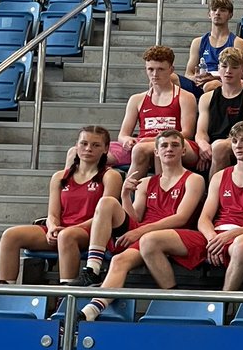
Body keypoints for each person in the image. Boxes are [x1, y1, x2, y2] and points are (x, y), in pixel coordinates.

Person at [97, 121, 243, 309]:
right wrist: (212, 238)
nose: (238, 146)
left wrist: (230, 235)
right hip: (212, 235)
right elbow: (204, 218)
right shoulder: (219, 176)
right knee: (149, 240)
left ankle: (223, 303)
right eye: (234, 141)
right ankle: (173, 300)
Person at [70, 133, 205, 321]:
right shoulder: (146, 182)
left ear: (183, 150)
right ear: (156, 151)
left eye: (175, 145)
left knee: (149, 239)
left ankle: (173, 298)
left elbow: (181, 217)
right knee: (108, 208)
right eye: (164, 145)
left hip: (178, 235)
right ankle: (90, 303)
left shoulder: (194, 179)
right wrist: (125, 195)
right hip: (147, 236)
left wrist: (140, 231)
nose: (169, 149)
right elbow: (135, 217)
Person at [0, 126, 122, 285]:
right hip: (61, 229)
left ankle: (65, 293)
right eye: (83, 143)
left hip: (91, 231)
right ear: (76, 146)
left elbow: (105, 216)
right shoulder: (59, 176)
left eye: (95, 145)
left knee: (66, 236)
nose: (88, 148)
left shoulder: (111, 176)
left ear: (106, 149)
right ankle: (5, 291)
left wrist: (68, 230)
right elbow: (53, 214)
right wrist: (52, 228)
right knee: (11, 235)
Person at [112, 45, 198, 178]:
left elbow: (187, 133)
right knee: (80, 152)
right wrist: (127, 140)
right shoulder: (137, 99)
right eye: (150, 69)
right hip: (141, 144)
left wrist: (150, 140)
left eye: (160, 69)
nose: (155, 74)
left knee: (149, 148)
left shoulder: (185, 97)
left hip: (177, 143)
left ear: (171, 70)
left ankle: (129, 194)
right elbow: (123, 135)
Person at [194, 47, 243, 176]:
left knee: (219, 147)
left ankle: (213, 194)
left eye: (234, 67)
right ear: (218, 69)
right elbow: (201, 132)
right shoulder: (206, 98)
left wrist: (215, 147)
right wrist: (203, 145)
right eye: (224, 66)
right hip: (212, 145)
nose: (228, 71)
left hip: (239, 143)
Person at [185, 0, 243, 94]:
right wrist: (196, 78)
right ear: (209, 14)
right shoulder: (198, 42)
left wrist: (214, 77)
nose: (217, 13)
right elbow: (188, 73)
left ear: (230, 15)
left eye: (222, 10)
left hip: (223, 82)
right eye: (214, 10)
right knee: (170, 78)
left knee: (211, 85)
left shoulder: (237, 42)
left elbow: (241, 73)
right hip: (199, 82)